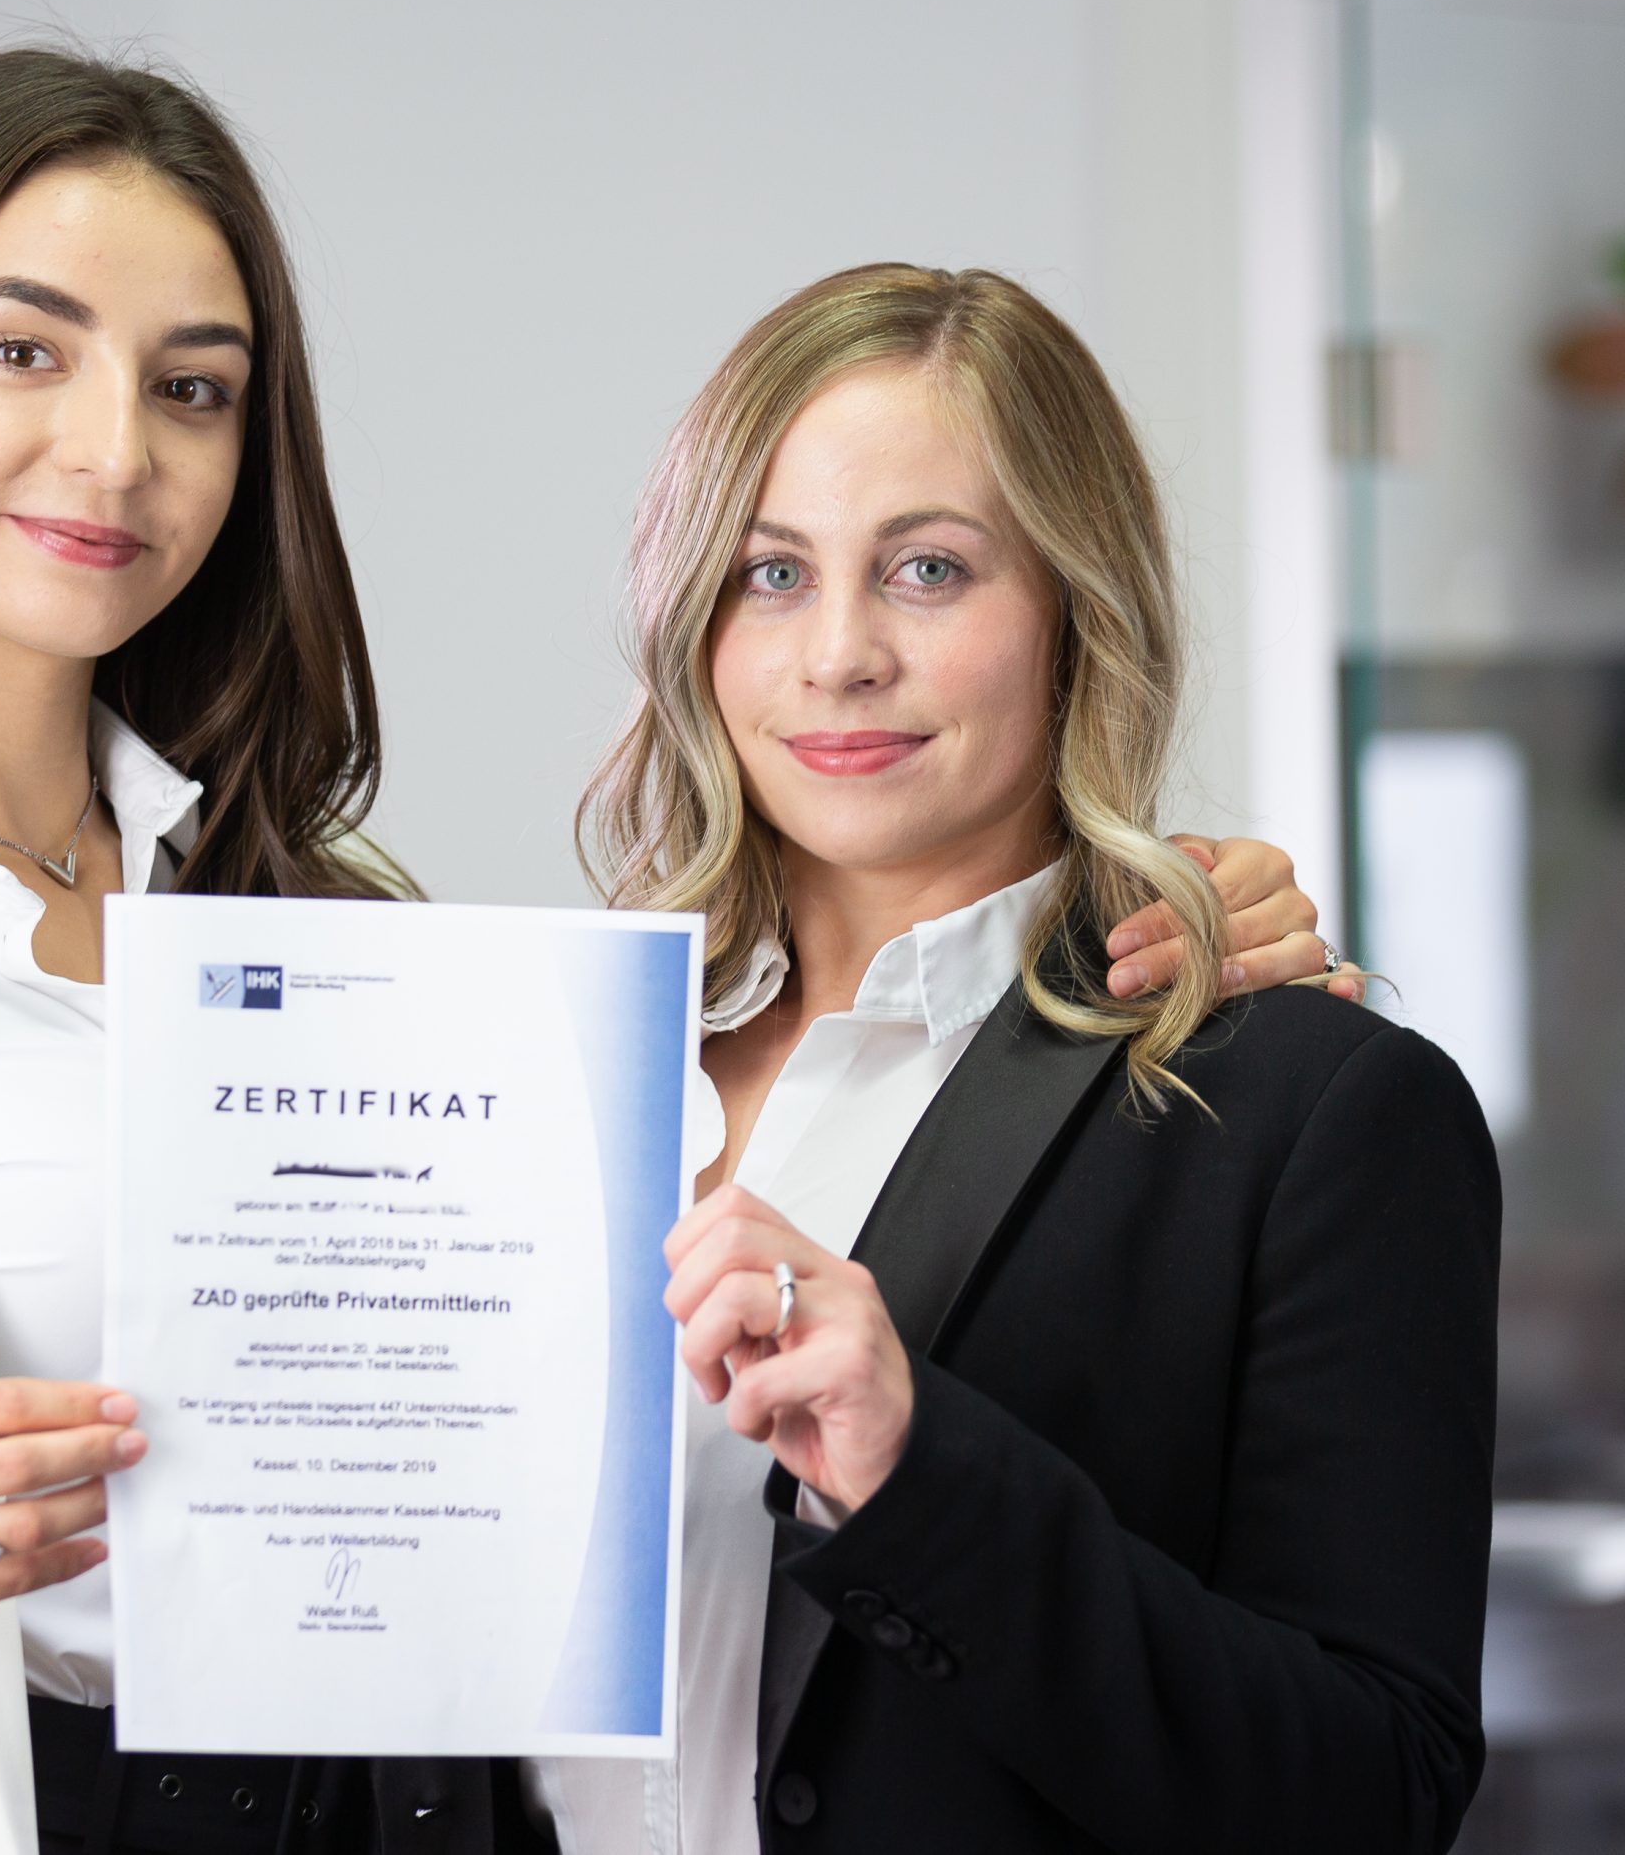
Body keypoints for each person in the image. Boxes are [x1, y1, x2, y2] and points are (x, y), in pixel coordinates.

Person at [0, 52, 1350, 1855]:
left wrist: (1129, 915)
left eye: (191, 387)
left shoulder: (335, 941)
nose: (116, 451)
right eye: (21, 350)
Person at [541, 264, 1499, 1855]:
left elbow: (1372, 1791)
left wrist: (924, 1469)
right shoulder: (559, 1069)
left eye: (928, 568)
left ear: (1077, 608)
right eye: (771, 572)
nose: (839, 653)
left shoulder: (1308, 1110)